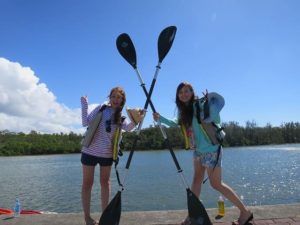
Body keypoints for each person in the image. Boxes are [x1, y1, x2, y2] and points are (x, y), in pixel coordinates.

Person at [153, 82, 253, 225]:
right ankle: (192, 215)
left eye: (186, 91)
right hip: (198, 152)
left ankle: (245, 212)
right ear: (178, 96)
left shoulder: (199, 104)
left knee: (216, 184)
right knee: (196, 181)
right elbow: (176, 123)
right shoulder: (184, 111)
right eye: (180, 92)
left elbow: (216, 119)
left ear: (192, 92)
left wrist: (209, 105)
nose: (184, 94)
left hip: (212, 150)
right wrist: (160, 118)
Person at [80, 87, 143, 225]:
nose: (115, 99)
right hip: (89, 151)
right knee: (87, 184)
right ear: (110, 98)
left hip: (107, 155)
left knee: (105, 183)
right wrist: (84, 104)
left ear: (122, 100)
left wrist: (138, 118)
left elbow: (129, 128)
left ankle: (105, 217)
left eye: (118, 97)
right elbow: (85, 122)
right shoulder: (101, 109)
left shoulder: (121, 116)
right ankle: (87, 217)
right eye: (113, 96)